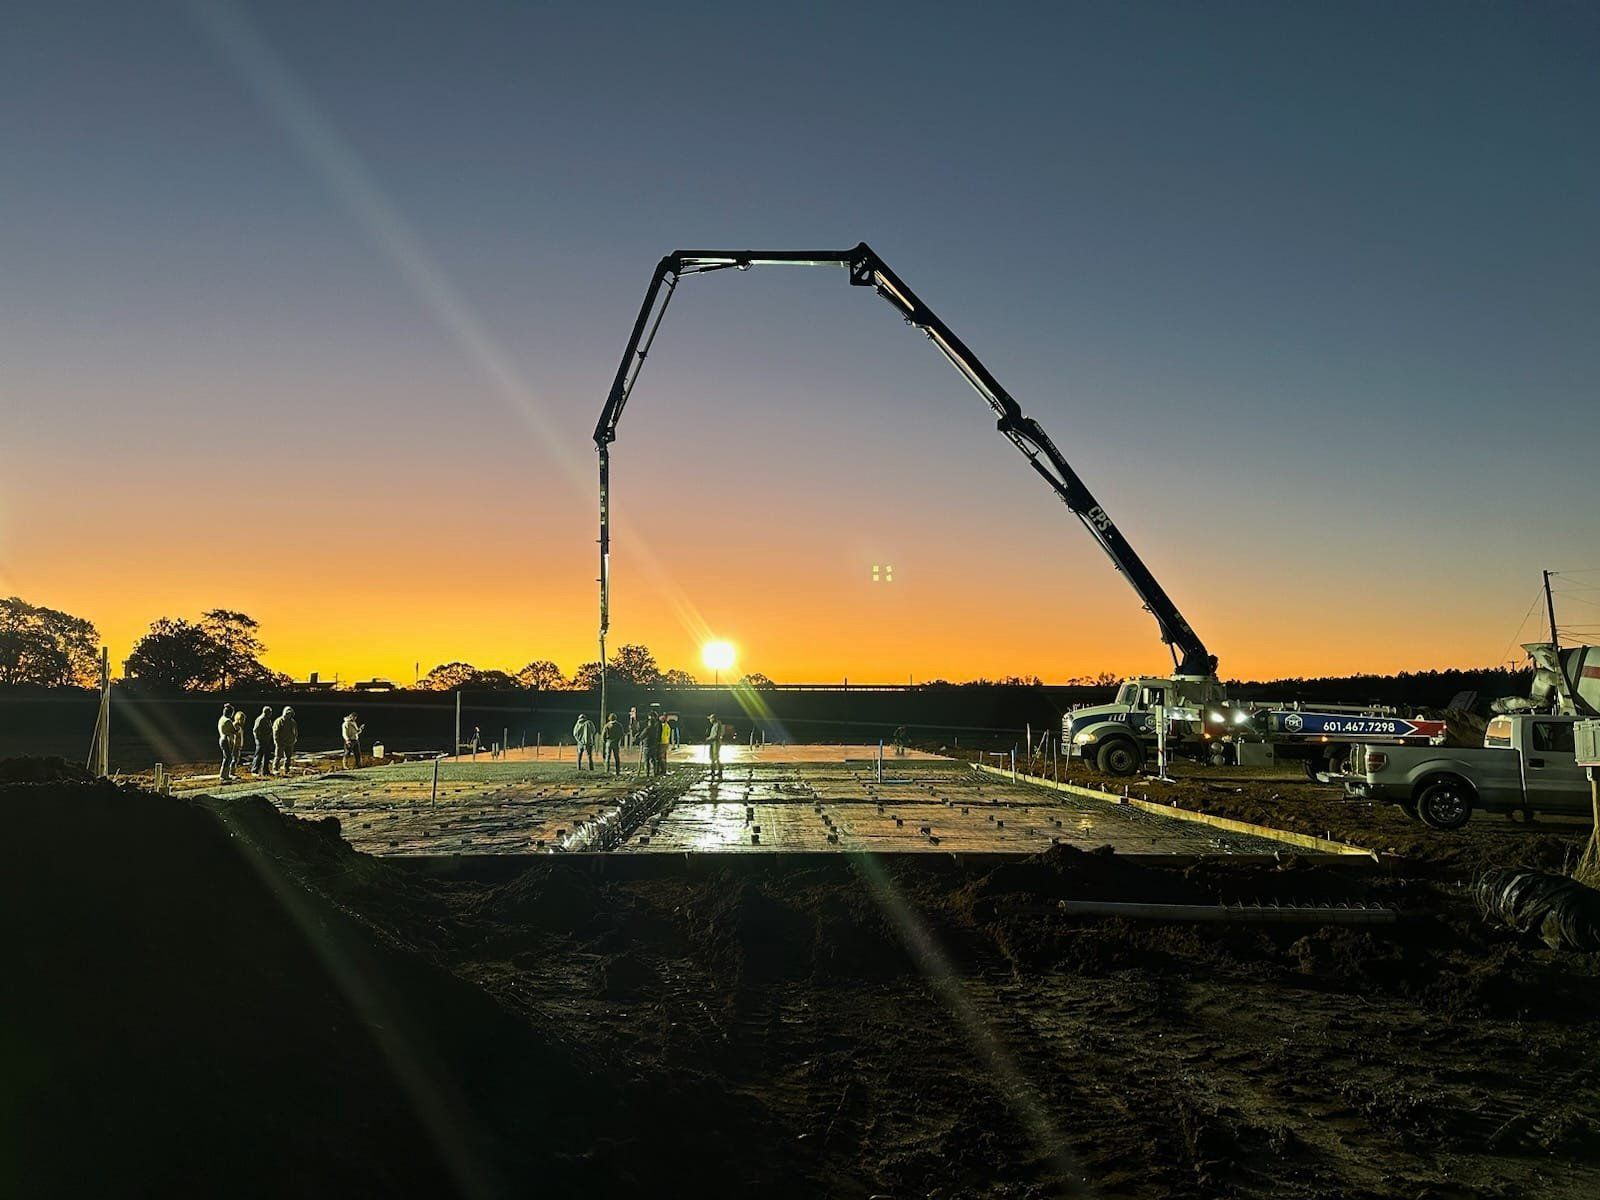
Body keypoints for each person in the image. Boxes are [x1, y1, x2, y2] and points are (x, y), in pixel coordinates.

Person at [273, 705, 298, 774]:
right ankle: (275, 768)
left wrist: (295, 738)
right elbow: (276, 732)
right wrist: (276, 741)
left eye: (290, 714)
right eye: (287, 714)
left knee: (288, 757)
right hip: (281, 742)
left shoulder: (292, 722)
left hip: (290, 742)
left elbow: (295, 731)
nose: (289, 715)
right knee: (278, 756)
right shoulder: (279, 721)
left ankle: (287, 768)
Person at [252, 706, 275, 775]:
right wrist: (258, 740)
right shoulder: (260, 719)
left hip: (266, 740)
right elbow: (255, 730)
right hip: (261, 741)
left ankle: (265, 770)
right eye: (270, 712)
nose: (271, 714)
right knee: (259, 756)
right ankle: (254, 770)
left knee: (267, 756)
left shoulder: (267, 719)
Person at [218, 703, 237, 782]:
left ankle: (224, 774)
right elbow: (234, 731)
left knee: (226, 757)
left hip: (221, 738)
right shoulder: (228, 721)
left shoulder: (221, 719)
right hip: (226, 740)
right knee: (228, 757)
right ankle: (224, 775)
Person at [643, 710, 663, 776]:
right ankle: (655, 772)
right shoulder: (657, 725)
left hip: (649, 744)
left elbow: (643, 735)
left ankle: (648, 773)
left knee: (648, 759)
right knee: (654, 759)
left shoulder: (650, 727)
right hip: (655, 743)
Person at [706, 711, 723, 781]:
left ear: (713, 718)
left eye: (710, 719)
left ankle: (719, 771)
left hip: (715, 742)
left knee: (716, 756)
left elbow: (716, 735)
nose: (710, 720)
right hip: (712, 742)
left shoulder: (717, 725)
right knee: (712, 757)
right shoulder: (714, 725)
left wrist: (709, 738)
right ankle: (713, 771)